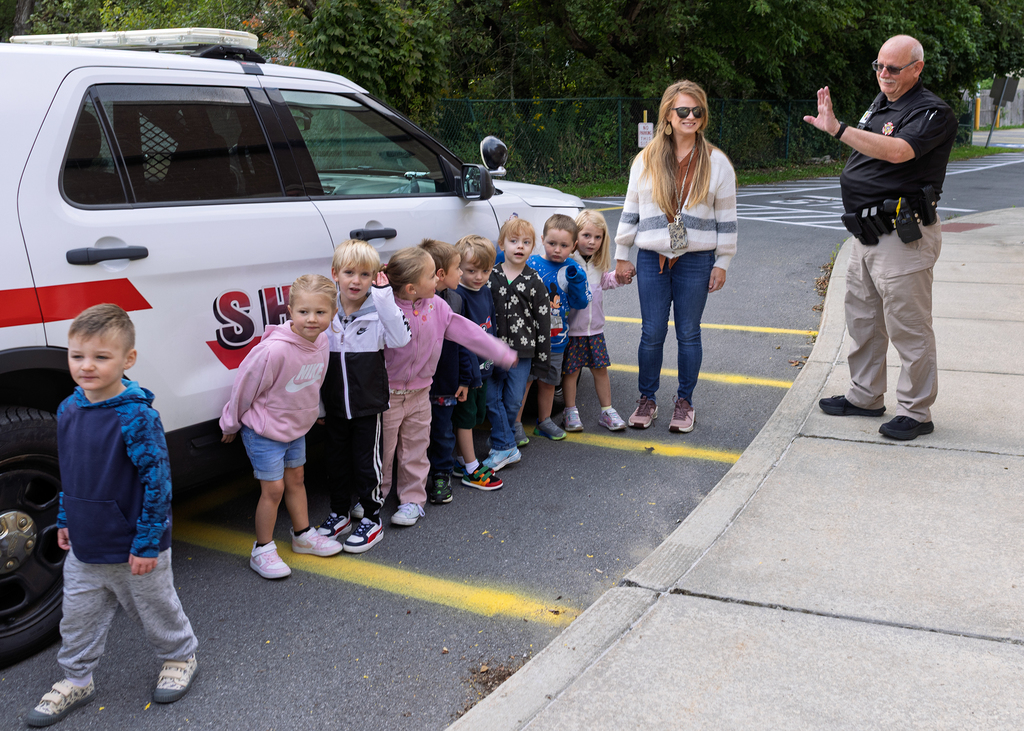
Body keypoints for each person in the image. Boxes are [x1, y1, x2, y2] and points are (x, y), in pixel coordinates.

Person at [28, 304, 199, 727]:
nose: (86, 367)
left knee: (156, 609)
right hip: (86, 542)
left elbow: (158, 486)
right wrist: (66, 517)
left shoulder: (136, 416)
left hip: (136, 547)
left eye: (101, 357)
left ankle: (179, 657)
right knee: (77, 617)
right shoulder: (69, 409)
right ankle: (77, 679)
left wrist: (146, 544)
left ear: (128, 359)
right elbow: (72, 470)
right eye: (77, 356)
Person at [803, 34, 957, 441]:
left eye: (893, 68)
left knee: (909, 327)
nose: (884, 75)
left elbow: (896, 152)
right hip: (866, 234)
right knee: (863, 321)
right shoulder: (882, 104)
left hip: (903, 237)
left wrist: (837, 129)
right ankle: (866, 396)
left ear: (917, 68)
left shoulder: (931, 111)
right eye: (879, 66)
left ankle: (916, 412)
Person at [614, 79, 737, 433]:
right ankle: (647, 399)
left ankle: (684, 403)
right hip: (652, 257)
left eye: (697, 111)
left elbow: (727, 217)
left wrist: (723, 261)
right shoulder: (646, 158)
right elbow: (630, 208)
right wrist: (623, 253)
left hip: (696, 260)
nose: (690, 117)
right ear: (668, 113)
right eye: (683, 110)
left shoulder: (717, 163)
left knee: (688, 333)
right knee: (651, 332)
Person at [382, 246, 517, 526]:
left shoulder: (438, 306)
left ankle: (411, 501)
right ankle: (375, 497)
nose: (438, 280)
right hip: (388, 396)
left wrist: (500, 352)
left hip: (420, 393)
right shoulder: (385, 310)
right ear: (410, 288)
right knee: (384, 450)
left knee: (416, 450)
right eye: (432, 276)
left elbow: (468, 331)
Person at [221, 274, 344, 579]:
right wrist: (231, 423)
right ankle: (262, 549)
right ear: (290, 311)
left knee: (297, 479)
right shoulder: (274, 351)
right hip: (265, 430)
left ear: (333, 313)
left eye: (320, 312)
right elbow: (243, 388)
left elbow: (315, 380)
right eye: (304, 312)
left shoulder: (323, 341)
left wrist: (315, 410)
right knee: (273, 489)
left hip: (296, 428)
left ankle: (302, 535)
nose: (312, 320)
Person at [315, 239, 410, 554]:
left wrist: (384, 299)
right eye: (349, 272)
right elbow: (312, 361)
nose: (356, 281)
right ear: (335, 274)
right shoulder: (325, 313)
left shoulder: (380, 314)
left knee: (366, 464)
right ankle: (340, 513)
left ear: (375, 278)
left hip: (367, 406)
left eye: (365, 275)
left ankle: (371, 518)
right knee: (336, 462)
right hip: (334, 406)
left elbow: (401, 338)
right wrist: (317, 405)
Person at [517, 214, 591, 440]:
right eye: (552, 243)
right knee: (524, 382)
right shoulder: (530, 264)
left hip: (556, 340)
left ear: (574, 246)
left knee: (549, 383)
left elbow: (581, 303)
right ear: (542, 239)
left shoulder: (574, 268)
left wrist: (577, 281)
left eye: (564, 245)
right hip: (528, 339)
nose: (557, 249)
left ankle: (544, 421)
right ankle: (514, 424)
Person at [485, 216, 551, 469]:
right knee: (492, 397)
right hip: (491, 350)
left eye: (526, 242)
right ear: (502, 244)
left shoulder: (535, 281)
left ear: (532, 247)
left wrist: (541, 361)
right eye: (513, 241)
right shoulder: (490, 277)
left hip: (521, 353)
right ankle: (504, 444)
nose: (519, 246)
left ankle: (500, 438)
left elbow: (543, 322)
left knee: (513, 400)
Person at [562, 209, 631, 432]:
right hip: (572, 332)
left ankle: (607, 411)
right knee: (571, 373)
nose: (592, 242)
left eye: (598, 237)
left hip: (595, 331)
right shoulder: (568, 263)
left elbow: (606, 282)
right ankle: (570, 411)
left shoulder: (598, 264)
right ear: (575, 236)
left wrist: (620, 278)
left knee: (600, 370)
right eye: (586, 236)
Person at [420, 239, 472, 505]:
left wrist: (464, 378)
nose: (461, 273)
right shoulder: (412, 303)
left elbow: (461, 342)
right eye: (458, 268)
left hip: (445, 382)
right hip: (416, 387)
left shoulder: (455, 300)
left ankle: (441, 474)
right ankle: (413, 481)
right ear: (441, 274)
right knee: (414, 436)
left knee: (442, 432)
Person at [451, 234, 504, 490]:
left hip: (483, 370)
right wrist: (466, 374)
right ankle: (471, 468)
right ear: (457, 268)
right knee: (466, 418)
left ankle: (461, 457)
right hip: (467, 374)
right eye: (471, 270)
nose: (479, 276)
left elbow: (490, 326)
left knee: (478, 414)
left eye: (486, 270)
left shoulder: (484, 291)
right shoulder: (457, 297)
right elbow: (460, 341)